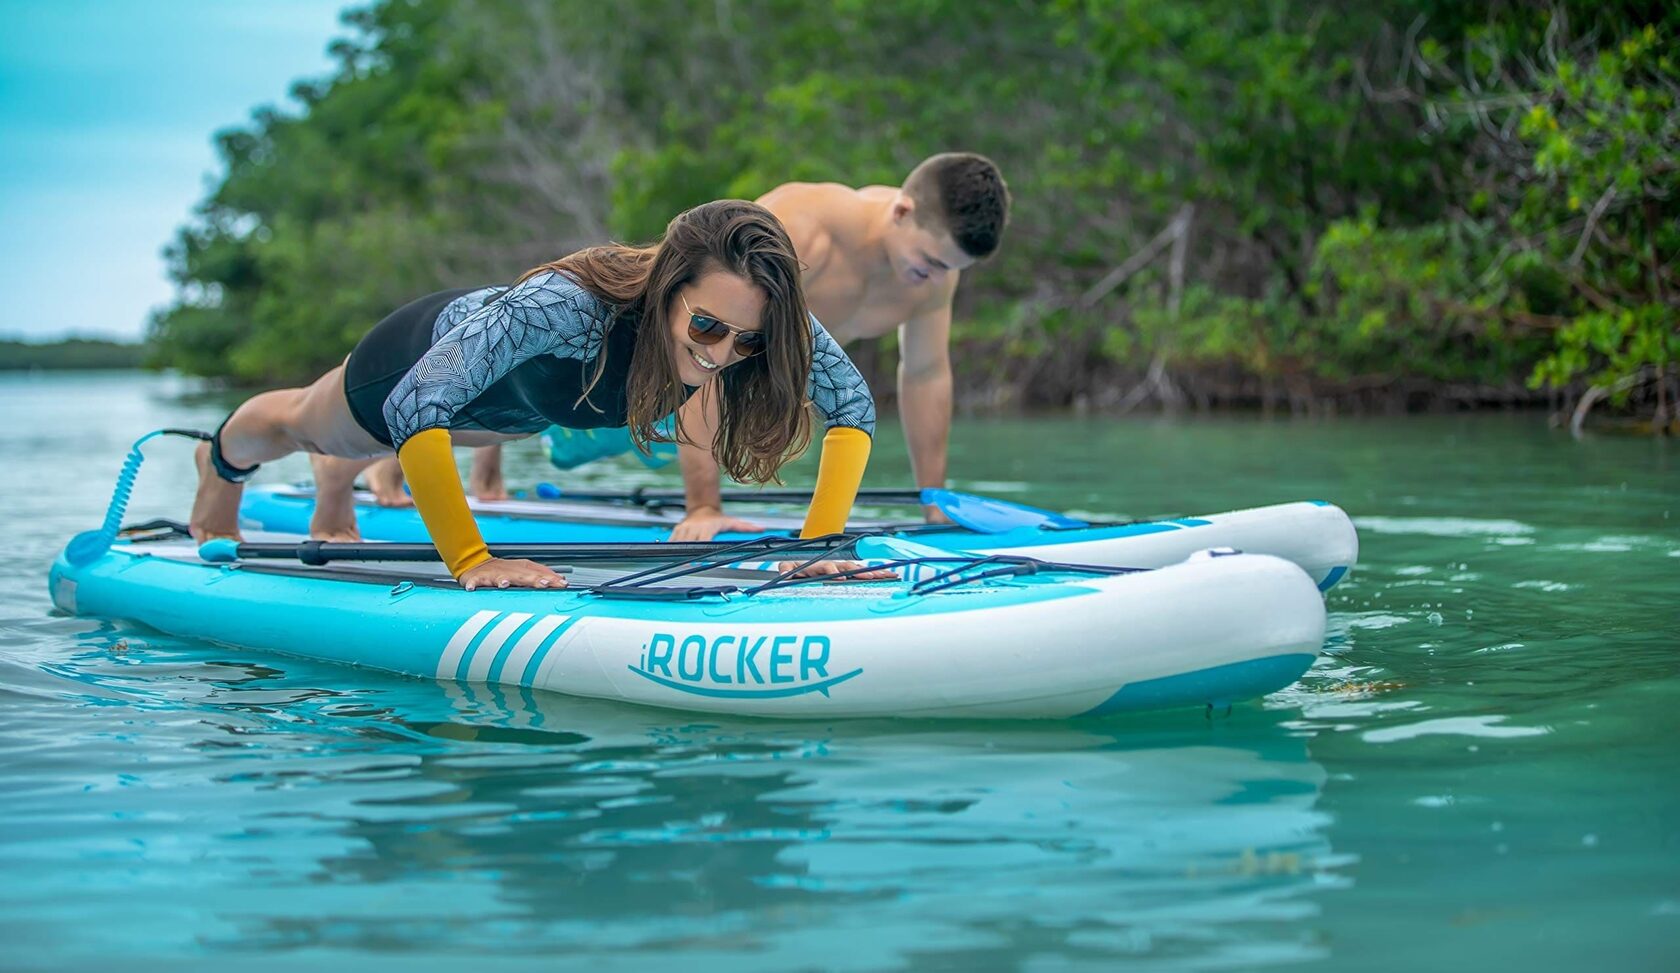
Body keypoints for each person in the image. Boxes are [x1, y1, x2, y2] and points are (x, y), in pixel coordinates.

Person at [188, 200, 887, 590]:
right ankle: (217, 464)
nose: (722, 353)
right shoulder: (566, 306)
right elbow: (414, 406)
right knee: (304, 425)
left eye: (748, 342)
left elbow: (852, 407)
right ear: (667, 290)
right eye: (706, 325)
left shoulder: (761, 317)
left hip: (508, 412)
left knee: (418, 441)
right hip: (414, 365)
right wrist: (471, 558)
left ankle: (335, 486)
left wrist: (821, 540)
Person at [367, 153, 1011, 539]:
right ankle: (397, 459)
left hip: (731, 385)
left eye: (949, 270)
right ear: (900, 212)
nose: (934, 279)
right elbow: (705, 353)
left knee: (565, 430)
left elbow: (925, 378)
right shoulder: (806, 229)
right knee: (547, 410)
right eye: (929, 263)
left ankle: (471, 458)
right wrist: (704, 508)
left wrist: (935, 503)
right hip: (666, 376)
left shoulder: (934, 278)